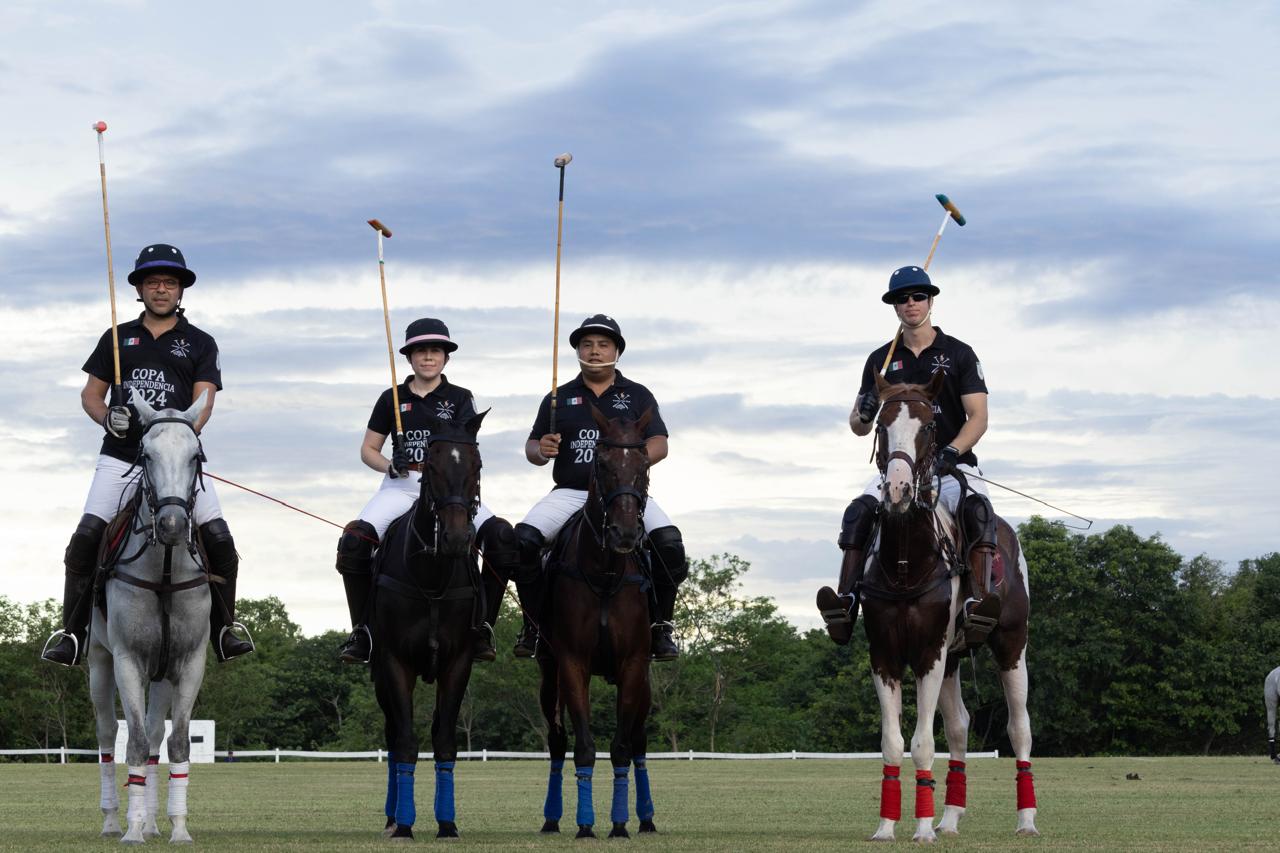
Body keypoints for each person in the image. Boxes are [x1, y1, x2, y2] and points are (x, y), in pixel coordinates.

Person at [42, 244, 254, 666]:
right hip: (121, 458)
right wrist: (107, 420)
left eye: (170, 283)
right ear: (140, 288)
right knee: (84, 539)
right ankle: (73, 633)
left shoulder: (199, 343)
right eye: (153, 282)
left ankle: (224, 629)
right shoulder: (118, 339)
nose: (161, 289)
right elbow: (90, 395)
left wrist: (174, 439)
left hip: (176, 462)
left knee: (220, 541)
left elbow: (204, 403)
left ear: (180, 291)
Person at [817, 265, 1002, 648]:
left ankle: (977, 603)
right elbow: (858, 426)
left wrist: (952, 451)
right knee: (858, 512)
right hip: (898, 467)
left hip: (951, 466)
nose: (911, 304)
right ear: (894, 307)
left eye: (918, 296)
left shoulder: (958, 354)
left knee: (978, 511)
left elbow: (979, 417)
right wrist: (863, 410)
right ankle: (847, 602)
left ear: (931, 301)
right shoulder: (881, 359)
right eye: (902, 299)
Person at [335, 318, 518, 665]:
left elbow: (465, 448)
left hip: (449, 492)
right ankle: (362, 631)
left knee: (503, 539)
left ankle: (482, 628)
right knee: (354, 542)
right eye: (421, 351)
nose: (428, 357)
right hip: (402, 485)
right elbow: (368, 449)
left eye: (435, 351)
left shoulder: (461, 398)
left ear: (446, 357)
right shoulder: (392, 398)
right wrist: (389, 463)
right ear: (409, 358)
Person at [511, 314, 688, 661]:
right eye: (587, 344)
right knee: (523, 542)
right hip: (570, 491)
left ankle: (661, 627)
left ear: (617, 351)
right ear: (578, 350)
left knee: (669, 544)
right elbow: (533, 449)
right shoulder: (558, 398)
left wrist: (628, 467)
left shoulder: (637, 395)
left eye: (603, 344)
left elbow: (660, 444)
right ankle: (533, 626)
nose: (594, 351)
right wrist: (541, 448)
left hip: (624, 494)